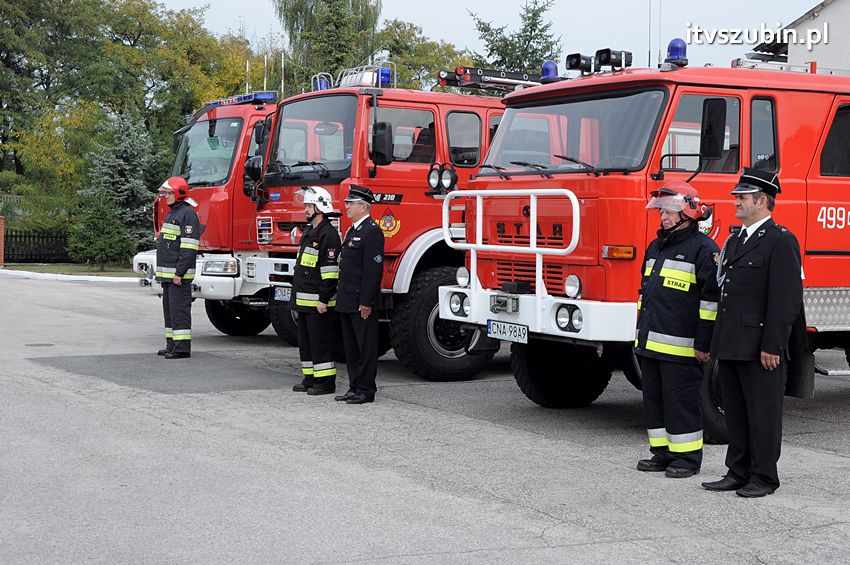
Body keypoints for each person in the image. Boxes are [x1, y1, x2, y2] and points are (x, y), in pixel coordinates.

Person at [702, 168, 803, 498]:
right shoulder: (736, 239)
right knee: (736, 411)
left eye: (742, 198)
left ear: (763, 201)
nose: (736, 203)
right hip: (732, 342)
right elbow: (727, 295)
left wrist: (773, 345)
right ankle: (738, 470)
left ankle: (763, 475)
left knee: (763, 414)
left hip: (761, 345)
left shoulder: (780, 240)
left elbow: (784, 301)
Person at [634, 181, 720, 478]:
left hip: (683, 348)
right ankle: (662, 453)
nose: (663, 217)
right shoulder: (656, 246)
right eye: (661, 211)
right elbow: (645, 295)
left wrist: (704, 343)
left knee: (681, 402)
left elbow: (711, 303)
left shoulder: (704, 250)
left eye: (669, 211)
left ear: (688, 212)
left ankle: (687, 458)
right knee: (655, 400)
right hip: (651, 344)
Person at [334, 185, 384, 405]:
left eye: (350, 203)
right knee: (351, 347)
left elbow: (373, 271)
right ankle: (354, 387)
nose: (347, 206)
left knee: (365, 347)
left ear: (363, 206)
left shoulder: (372, 231)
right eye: (347, 203)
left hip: (360, 300)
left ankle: (366, 389)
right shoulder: (352, 230)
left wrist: (366, 301)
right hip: (346, 298)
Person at [290, 186, 342, 395]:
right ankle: (310, 377)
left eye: (308, 206)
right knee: (306, 343)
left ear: (319, 207)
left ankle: (326, 382)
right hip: (304, 301)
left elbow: (330, 273)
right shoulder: (310, 232)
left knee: (321, 342)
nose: (305, 210)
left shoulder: (328, 235)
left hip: (318, 303)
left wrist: (323, 299)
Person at [155, 176, 200, 359]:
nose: (165, 196)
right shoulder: (173, 212)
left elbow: (189, 248)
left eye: (168, 193)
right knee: (170, 310)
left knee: (179, 311)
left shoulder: (187, 214)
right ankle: (172, 344)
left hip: (178, 276)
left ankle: (182, 348)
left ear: (178, 193)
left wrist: (179, 273)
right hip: (169, 275)